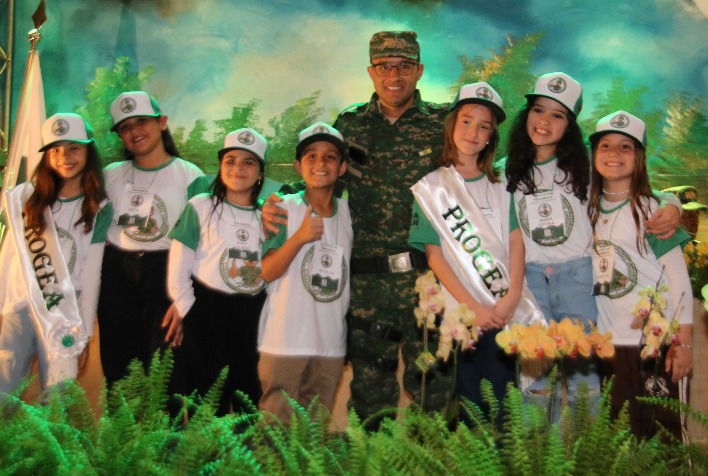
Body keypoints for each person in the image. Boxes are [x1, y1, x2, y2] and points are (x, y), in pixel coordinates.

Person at [504, 73, 681, 420]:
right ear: (527, 115)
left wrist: (671, 202)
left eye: (558, 115)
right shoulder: (505, 171)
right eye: (539, 110)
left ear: (569, 125)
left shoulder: (585, 164)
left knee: (585, 378)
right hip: (530, 284)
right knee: (534, 378)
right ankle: (540, 460)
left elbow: (638, 188)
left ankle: (590, 458)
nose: (545, 121)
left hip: (579, 281)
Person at [408, 83, 543, 423]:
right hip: (463, 316)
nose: (474, 131)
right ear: (451, 125)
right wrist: (473, 307)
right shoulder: (432, 189)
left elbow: (516, 242)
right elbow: (435, 257)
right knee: (469, 402)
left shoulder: (503, 184)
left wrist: (511, 297)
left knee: (503, 399)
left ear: (491, 136)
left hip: (504, 311)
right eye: (467, 121)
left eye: (484, 126)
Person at [588, 111, 692, 439]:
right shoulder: (584, 209)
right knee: (618, 438)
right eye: (605, 146)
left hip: (652, 344)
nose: (614, 154)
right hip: (607, 344)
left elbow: (679, 281)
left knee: (660, 435)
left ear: (640, 157)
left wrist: (684, 344)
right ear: (593, 154)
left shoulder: (654, 212)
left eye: (625, 147)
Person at [98, 91, 209, 385]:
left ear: (162, 122)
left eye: (142, 121)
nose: (135, 131)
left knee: (167, 377)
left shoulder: (190, 175)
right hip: (116, 280)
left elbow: (203, 246)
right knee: (119, 373)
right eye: (125, 127)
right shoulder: (109, 175)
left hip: (167, 278)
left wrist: (184, 300)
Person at [0, 113, 111, 393]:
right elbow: (8, 257)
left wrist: (84, 333)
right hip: (19, 309)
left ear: (89, 151)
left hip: (64, 313)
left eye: (74, 147)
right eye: (55, 150)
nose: (65, 156)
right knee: (3, 391)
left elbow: (92, 273)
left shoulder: (100, 206)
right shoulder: (24, 198)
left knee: (58, 401)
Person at [168, 127, 268, 416]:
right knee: (207, 402)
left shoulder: (269, 215)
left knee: (249, 398)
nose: (238, 168)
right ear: (221, 166)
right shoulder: (199, 206)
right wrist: (189, 312)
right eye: (231, 160)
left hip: (252, 317)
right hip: (205, 317)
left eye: (249, 162)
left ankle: (243, 459)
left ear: (260, 173)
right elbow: (178, 269)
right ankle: (209, 459)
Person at [257, 122, 352, 425]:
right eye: (311, 157)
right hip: (285, 342)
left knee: (314, 436)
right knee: (275, 434)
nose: (320, 164)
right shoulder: (284, 208)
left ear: (343, 167)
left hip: (330, 344)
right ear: (298, 166)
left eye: (330, 157)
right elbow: (266, 272)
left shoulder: (349, 215)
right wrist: (298, 237)